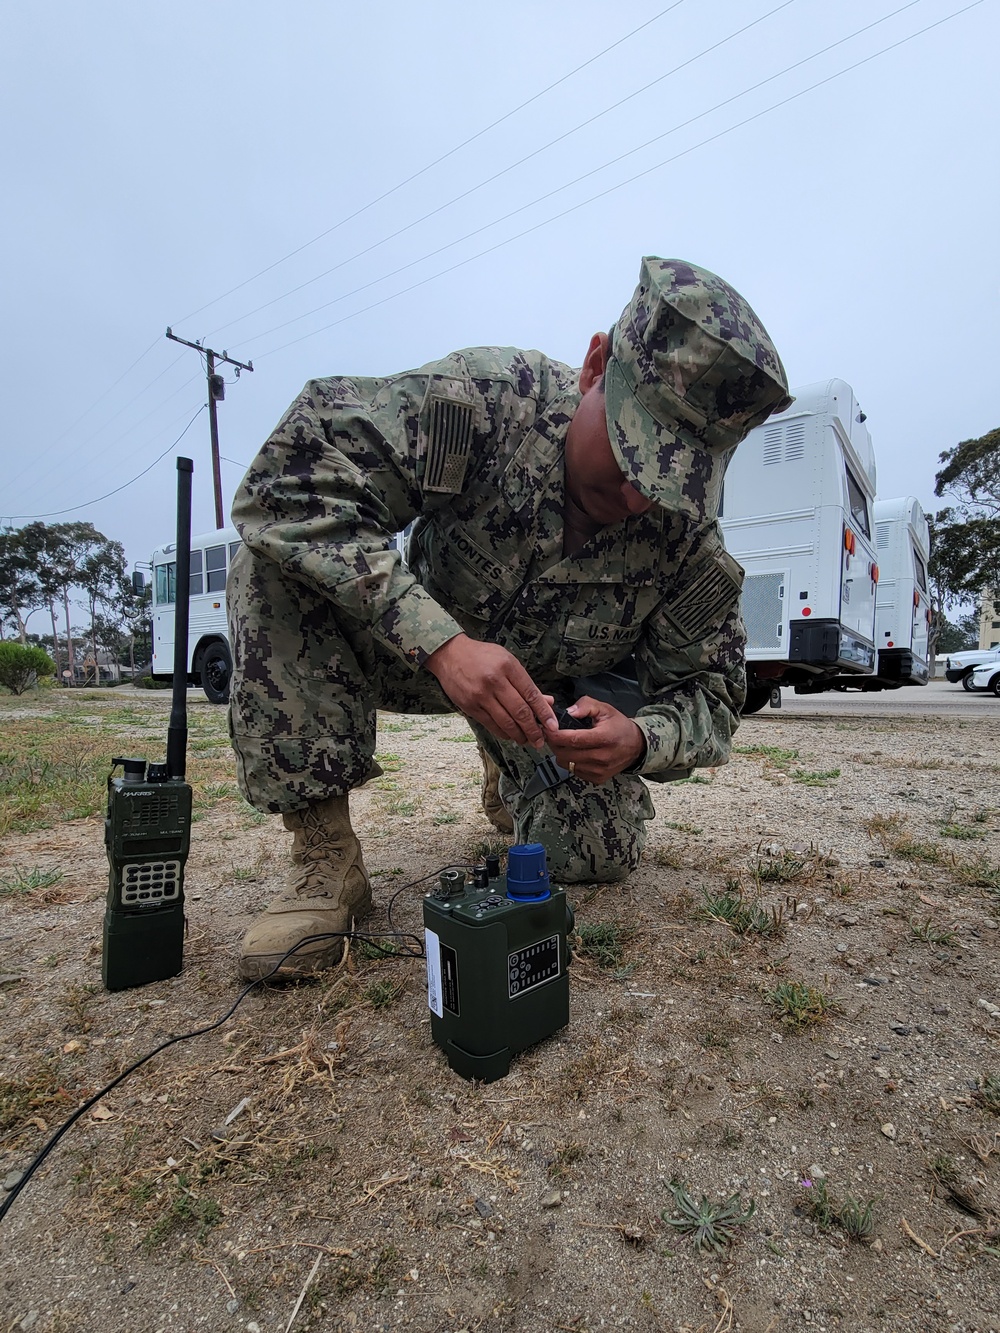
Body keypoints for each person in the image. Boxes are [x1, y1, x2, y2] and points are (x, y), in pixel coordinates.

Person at [227, 256, 792, 980]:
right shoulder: (493, 403)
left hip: (537, 707)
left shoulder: (688, 541)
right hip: (415, 649)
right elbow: (289, 481)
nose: (638, 498)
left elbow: (712, 695)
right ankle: (324, 858)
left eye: (671, 480)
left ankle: (506, 765)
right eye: (631, 453)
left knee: (594, 853)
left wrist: (638, 738)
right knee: (276, 560)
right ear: (595, 367)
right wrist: (444, 645)